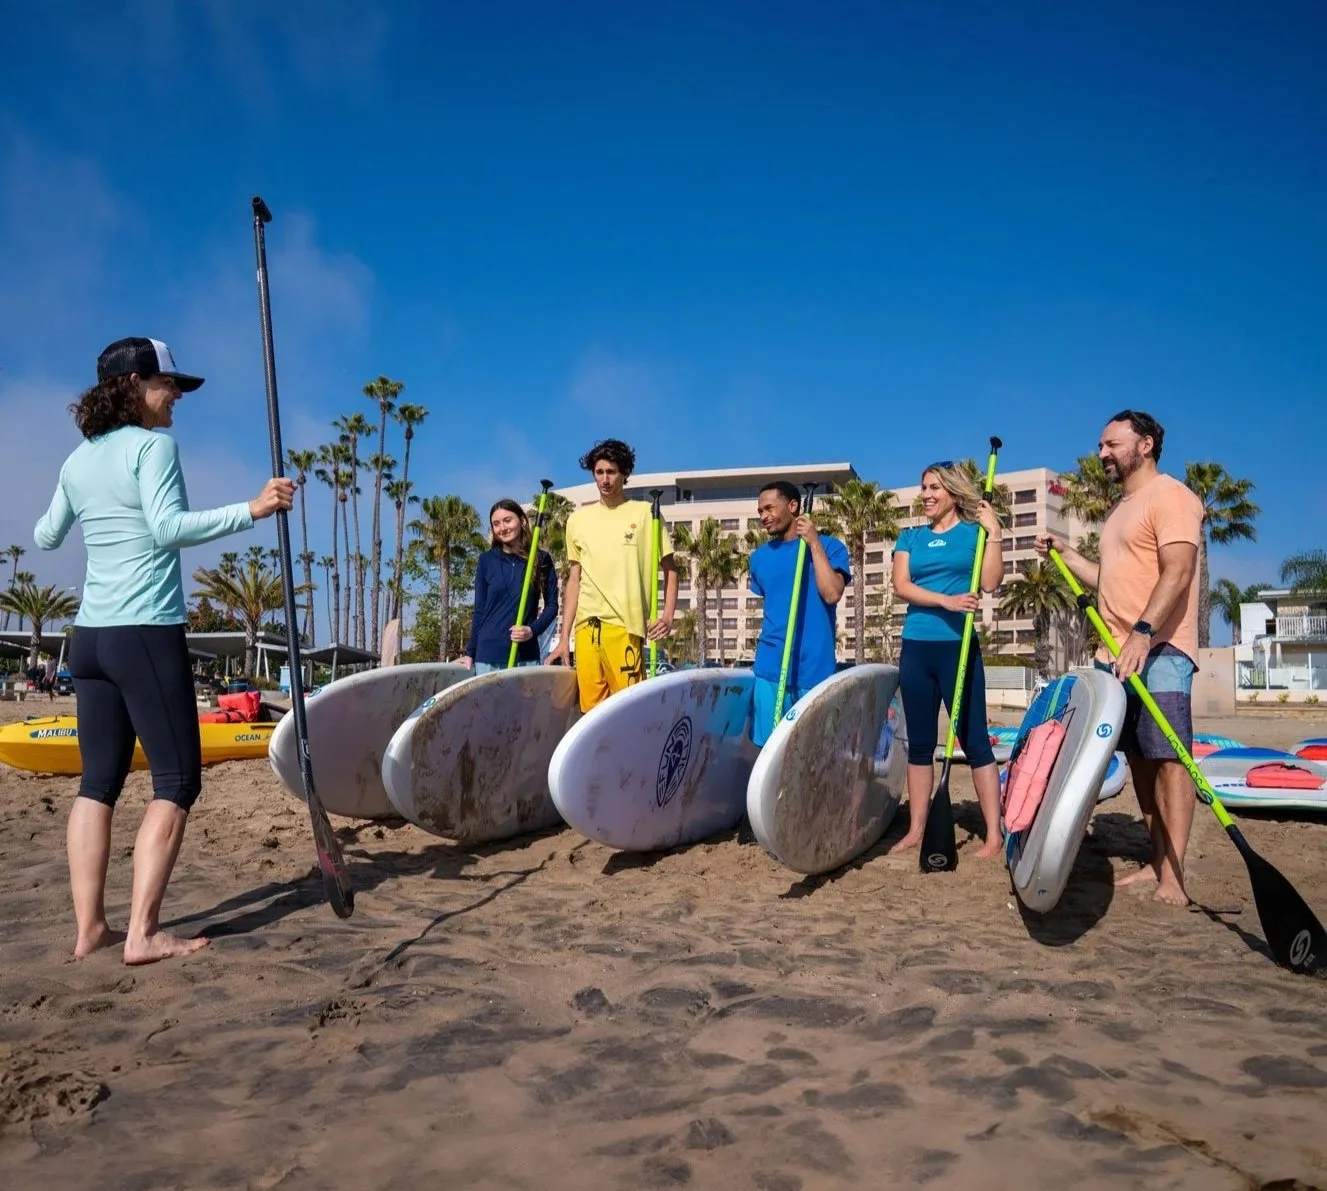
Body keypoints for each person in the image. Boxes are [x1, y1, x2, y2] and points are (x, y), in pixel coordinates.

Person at [34, 336, 294, 964]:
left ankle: (90, 930)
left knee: (98, 784)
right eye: (167, 382)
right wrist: (254, 508)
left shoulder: (77, 459)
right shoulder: (154, 447)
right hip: (143, 633)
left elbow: (44, 536)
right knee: (176, 781)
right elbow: (167, 528)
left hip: (89, 639)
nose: (176, 394)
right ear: (132, 385)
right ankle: (143, 934)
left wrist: (95, 509)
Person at [1036, 409, 1202, 906]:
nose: (1102, 453)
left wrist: (1143, 633)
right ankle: (1157, 863)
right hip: (1117, 653)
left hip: (1160, 646)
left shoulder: (1170, 495)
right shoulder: (1119, 511)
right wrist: (1066, 554)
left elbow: (1178, 570)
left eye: (1112, 443)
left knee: (1169, 760)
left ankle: (1175, 877)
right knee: (1141, 761)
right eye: (1101, 445)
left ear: (1145, 444)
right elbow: (1106, 579)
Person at [887, 462, 1005, 856]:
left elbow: (990, 582)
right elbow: (901, 585)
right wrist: (946, 601)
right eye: (924, 487)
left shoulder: (974, 533)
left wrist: (995, 532)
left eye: (935, 487)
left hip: (958, 646)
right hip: (916, 647)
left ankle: (993, 835)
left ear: (953, 492)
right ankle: (916, 829)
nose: (926, 495)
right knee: (920, 743)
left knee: (975, 741)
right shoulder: (910, 537)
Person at [550, 439, 677, 711]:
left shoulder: (646, 514)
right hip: (586, 627)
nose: (605, 480)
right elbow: (574, 580)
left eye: (611, 472)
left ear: (624, 473)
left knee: (630, 711)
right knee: (591, 713)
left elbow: (670, 568)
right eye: (599, 472)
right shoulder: (577, 520)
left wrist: (667, 616)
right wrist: (563, 637)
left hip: (625, 627)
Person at [747, 481, 851, 745]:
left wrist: (813, 543)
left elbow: (832, 593)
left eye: (770, 508)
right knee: (769, 750)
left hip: (815, 668)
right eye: (760, 511)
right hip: (771, 666)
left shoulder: (830, 547)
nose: (763, 516)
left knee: (812, 752)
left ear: (793, 506)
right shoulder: (758, 558)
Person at [459, 498, 558, 674]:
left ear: (522, 521)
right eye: (496, 524)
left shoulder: (540, 559)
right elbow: (480, 610)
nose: (502, 528)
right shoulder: (486, 560)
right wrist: (470, 653)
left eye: (507, 520)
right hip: (488, 656)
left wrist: (532, 630)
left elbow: (552, 606)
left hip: (525, 656)